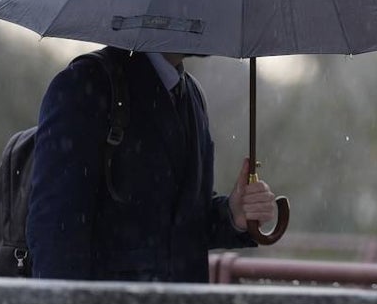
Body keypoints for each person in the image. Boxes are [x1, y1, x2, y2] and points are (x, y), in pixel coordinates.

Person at [27, 48, 277, 282]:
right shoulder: (86, 84)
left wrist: (232, 214)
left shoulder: (191, 95)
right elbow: (54, 231)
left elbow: (179, 225)